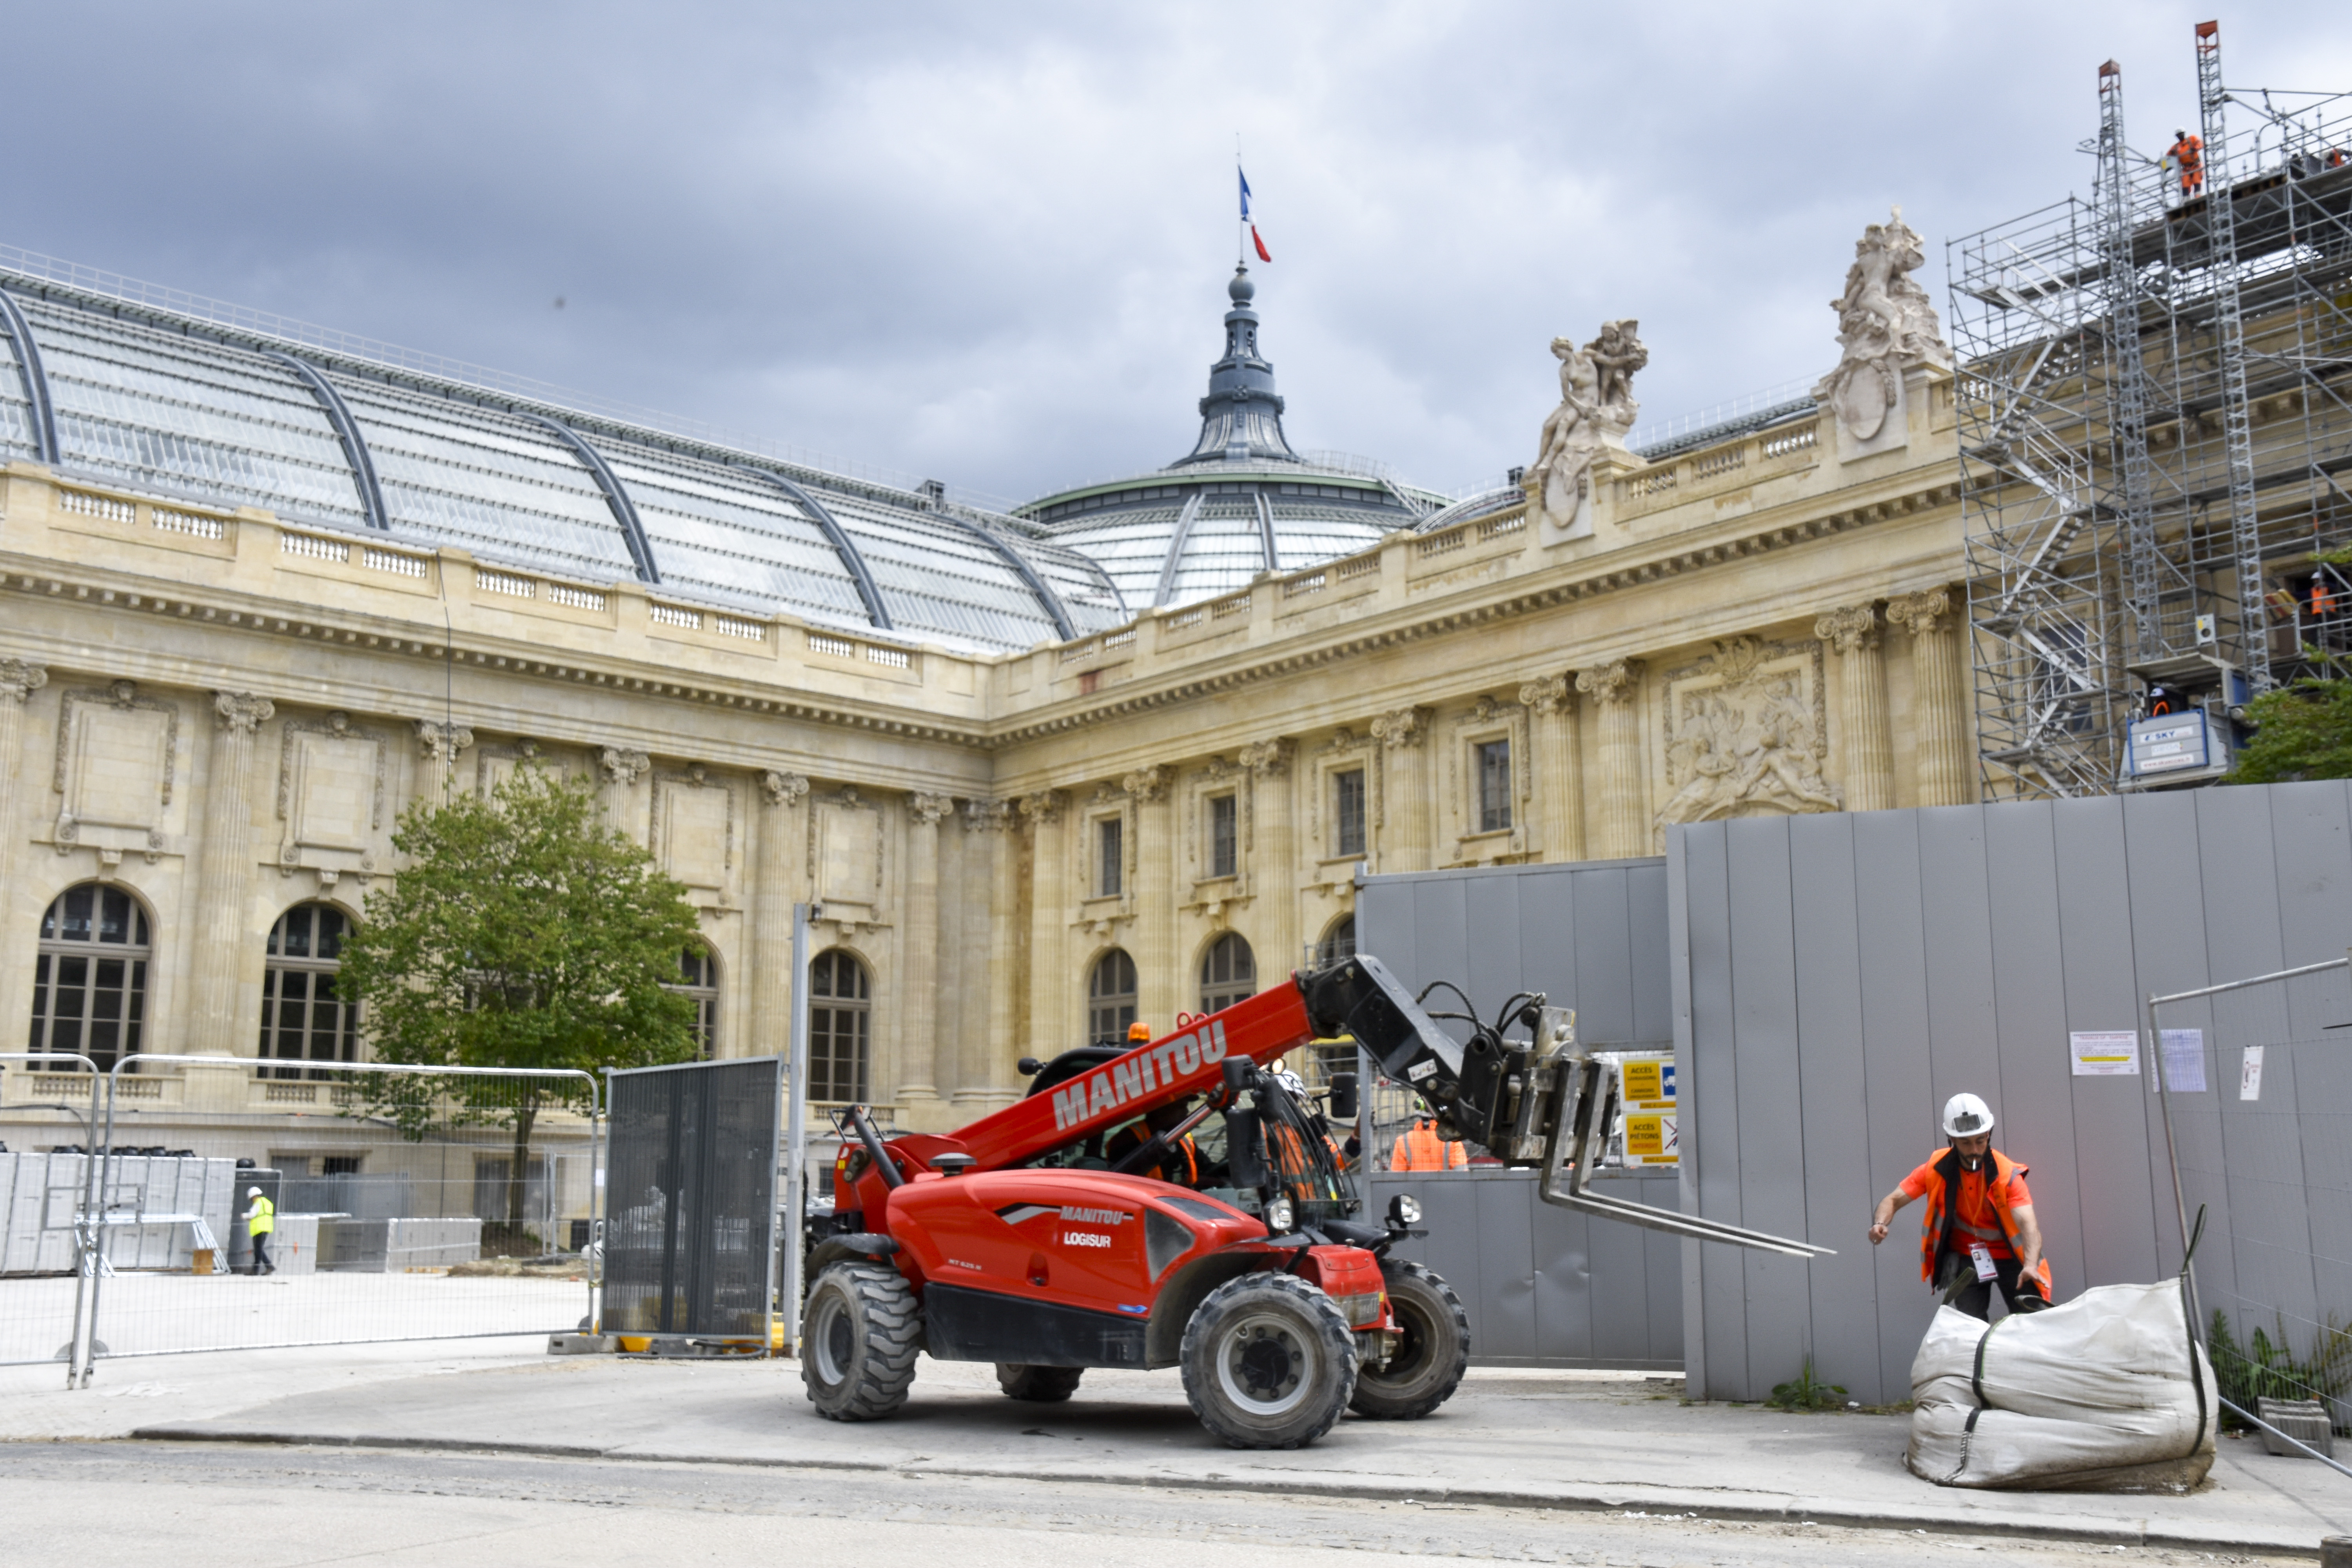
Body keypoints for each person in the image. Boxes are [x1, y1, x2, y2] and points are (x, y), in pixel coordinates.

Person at [1868, 1093, 2051, 1320]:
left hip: (2013, 1259)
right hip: (1968, 1257)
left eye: (1981, 1140)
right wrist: (1880, 1223)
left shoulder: (2007, 1175)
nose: (1974, 1149)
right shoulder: (1935, 1169)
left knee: (2033, 1323)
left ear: (1989, 1136)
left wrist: (2031, 1265)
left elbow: (2029, 1224)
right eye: (1966, 1142)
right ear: (1952, 1141)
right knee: (1970, 1327)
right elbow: (1893, 1200)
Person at [1105, 1098, 1200, 1187]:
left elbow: (1206, 1169)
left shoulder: (1183, 1140)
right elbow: (1120, 1183)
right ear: (1160, 1109)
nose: (1187, 1112)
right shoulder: (1128, 1139)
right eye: (1181, 1107)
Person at [1390, 1100, 1468, 1172]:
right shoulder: (1452, 1140)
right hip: (1444, 1187)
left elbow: (1397, 1176)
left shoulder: (1403, 1141)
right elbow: (1462, 1173)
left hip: (1413, 1187)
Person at [243, 1184, 276, 1276]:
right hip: (267, 1228)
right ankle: (255, 1270)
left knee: (258, 1250)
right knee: (258, 1249)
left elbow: (252, 1215)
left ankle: (269, 1266)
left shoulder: (258, 1203)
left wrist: (244, 1216)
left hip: (259, 1228)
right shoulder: (267, 1202)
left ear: (253, 1197)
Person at [2163, 129, 2205, 200]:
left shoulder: (2192, 139)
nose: (2180, 136)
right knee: (2185, 184)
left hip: (2196, 165)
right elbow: (2167, 157)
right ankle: (2186, 200)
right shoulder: (2176, 147)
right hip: (2185, 169)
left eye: (2181, 134)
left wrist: (2196, 148)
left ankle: (2198, 197)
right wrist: (2165, 164)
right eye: (2178, 135)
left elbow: (2200, 143)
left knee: (2197, 181)